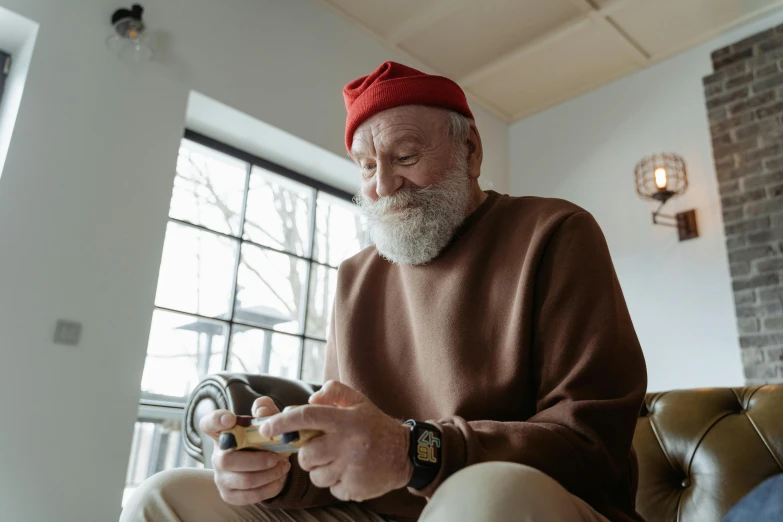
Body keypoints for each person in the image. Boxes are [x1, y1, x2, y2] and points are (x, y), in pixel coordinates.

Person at [121, 61, 648, 522]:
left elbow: (591, 447)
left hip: (525, 503)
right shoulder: (355, 276)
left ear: (470, 151)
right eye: (368, 166)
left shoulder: (554, 232)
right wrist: (281, 472)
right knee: (163, 497)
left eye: (407, 155)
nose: (383, 185)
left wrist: (416, 451)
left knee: (484, 494)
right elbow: (346, 463)